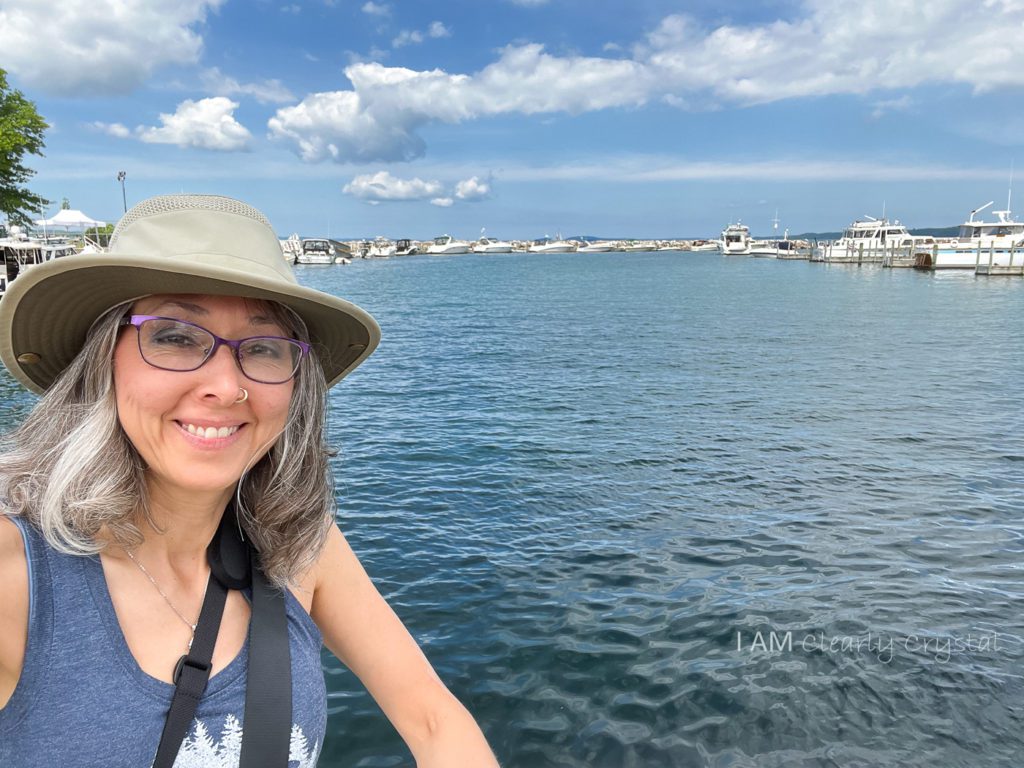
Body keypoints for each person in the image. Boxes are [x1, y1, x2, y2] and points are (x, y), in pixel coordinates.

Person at [0, 194, 499, 767]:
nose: (226, 386)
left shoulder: (295, 545)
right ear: (101, 361)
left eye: (261, 348)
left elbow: (432, 718)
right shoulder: (19, 578)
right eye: (174, 336)